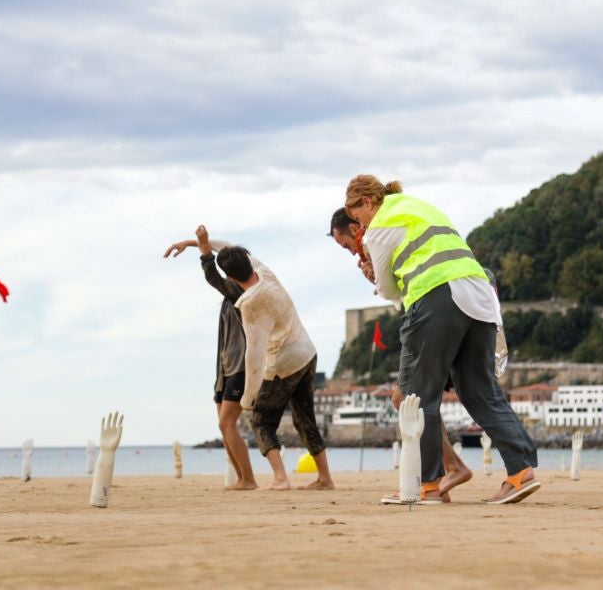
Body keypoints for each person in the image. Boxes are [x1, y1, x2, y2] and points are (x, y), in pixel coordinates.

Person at [344, 175, 539, 504]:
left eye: (357, 216)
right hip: (479, 296)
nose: (359, 224)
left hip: (437, 297)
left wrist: (374, 276)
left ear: (366, 202)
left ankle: (428, 485)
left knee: (418, 396)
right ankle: (520, 472)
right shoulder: (417, 206)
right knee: (481, 391)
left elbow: (390, 290)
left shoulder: (379, 227)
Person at [328, 208, 472, 501]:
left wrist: (378, 280)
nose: (350, 252)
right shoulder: (398, 231)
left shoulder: (376, 237)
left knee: (408, 399)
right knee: (412, 399)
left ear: (355, 227)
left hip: (426, 317)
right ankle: (447, 470)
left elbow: (395, 294)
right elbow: (400, 290)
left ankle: (437, 478)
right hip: (447, 309)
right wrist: (376, 279)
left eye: (345, 245)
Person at [212, 232, 334, 491]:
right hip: (307, 353)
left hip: (285, 364)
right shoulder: (265, 272)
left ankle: (281, 478)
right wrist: (199, 243)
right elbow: (229, 248)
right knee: (305, 418)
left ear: (230, 278)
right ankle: (325, 478)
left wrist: (247, 398)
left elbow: (254, 354)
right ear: (248, 260)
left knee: (260, 420)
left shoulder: (249, 303)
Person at [164, 226, 257, 491]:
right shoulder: (233, 291)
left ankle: (248, 479)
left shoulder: (243, 293)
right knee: (224, 426)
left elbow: (212, 276)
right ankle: (241, 478)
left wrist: (203, 249)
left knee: (227, 422)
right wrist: (192, 242)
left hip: (240, 366)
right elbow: (222, 248)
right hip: (225, 368)